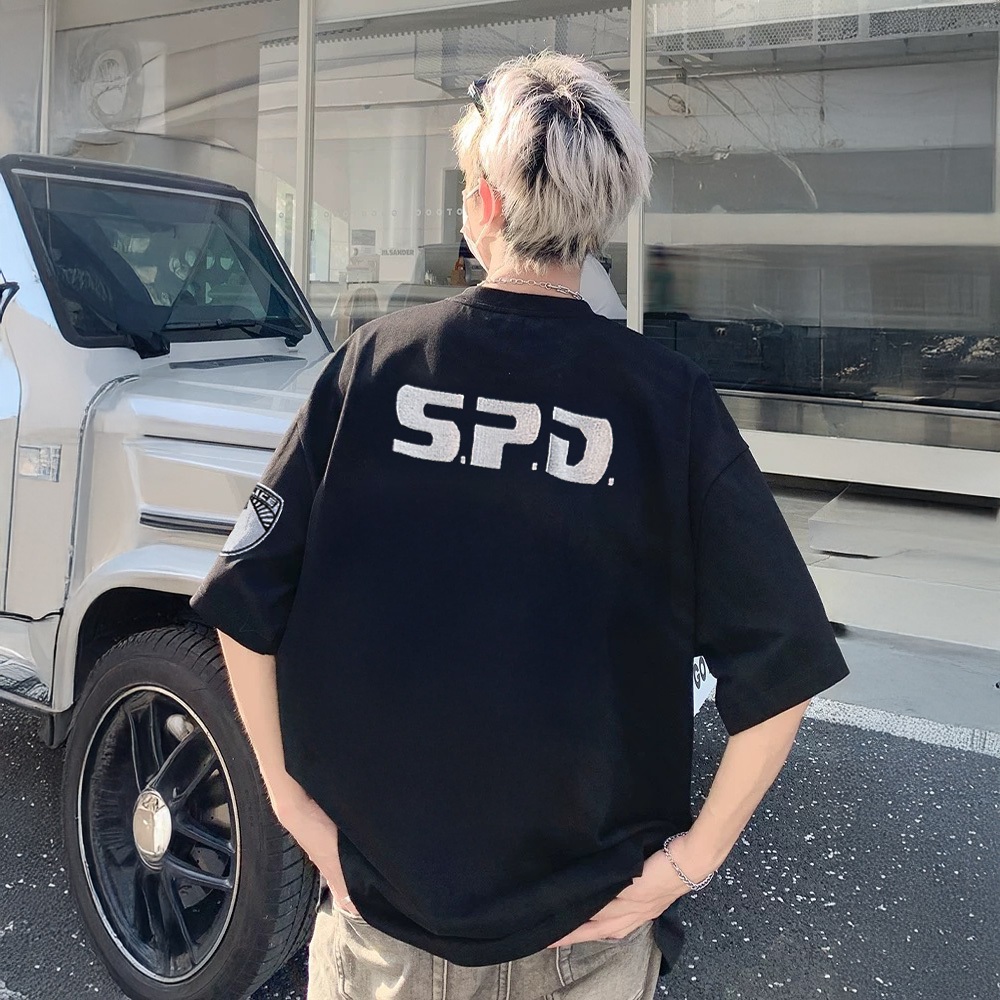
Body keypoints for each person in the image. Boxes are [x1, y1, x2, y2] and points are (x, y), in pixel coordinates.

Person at [190, 51, 849, 1000]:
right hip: (589, 937)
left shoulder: (375, 367)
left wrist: (291, 806)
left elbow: (245, 605)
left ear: (486, 206)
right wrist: (690, 862)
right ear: (596, 220)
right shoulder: (668, 403)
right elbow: (785, 668)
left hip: (385, 928)